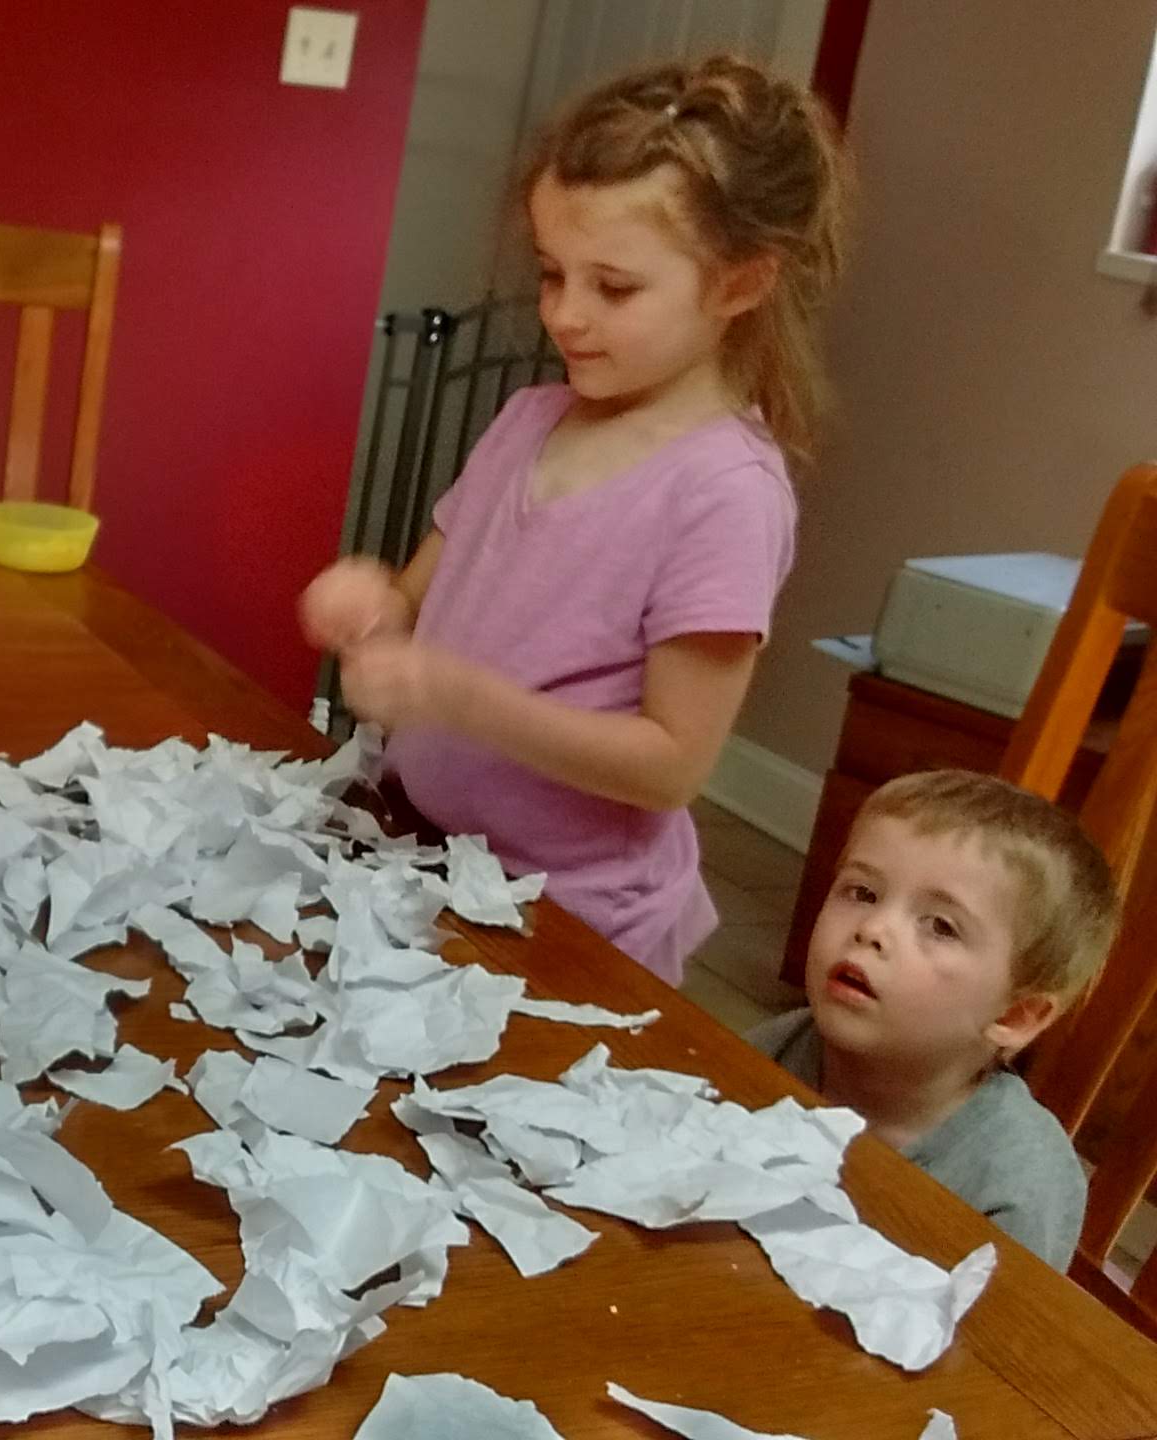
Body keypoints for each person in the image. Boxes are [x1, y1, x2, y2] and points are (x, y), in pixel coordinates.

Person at [299, 55, 850, 982]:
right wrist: (371, 605)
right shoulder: (529, 420)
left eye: (616, 287)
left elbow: (671, 764)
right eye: (554, 274)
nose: (565, 315)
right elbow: (418, 597)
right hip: (428, 862)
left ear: (742, 284)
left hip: (569, 929)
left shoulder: (726, 493)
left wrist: (457, 697)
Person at [748, 770, 1117, 1263]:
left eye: (941, 926)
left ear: (1015, 1013)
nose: (873, 929)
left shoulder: (1019, 1180)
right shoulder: (779, 1046)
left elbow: (1006, 1331)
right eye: (862, 893)